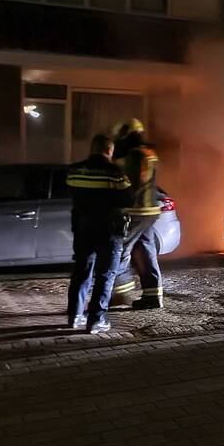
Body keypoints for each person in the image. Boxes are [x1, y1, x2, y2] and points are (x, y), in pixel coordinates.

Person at [66, 134, 132, 334]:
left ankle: (75, 316)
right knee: (105, 274)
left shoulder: (75, 170)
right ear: (109, 150)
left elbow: (70, 192)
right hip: (108, 230)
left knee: (81, 271)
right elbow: (127, 199)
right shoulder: (115, 173)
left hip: (83, 229)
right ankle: (96, 319)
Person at [114, 119, 164, 310]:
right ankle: (153, 297)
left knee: (121, 248)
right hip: (150, 211)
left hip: (136, 211)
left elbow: (134, 182)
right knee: (147, 251)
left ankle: (119, 293)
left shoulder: (135, 155)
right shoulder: (149, 152)